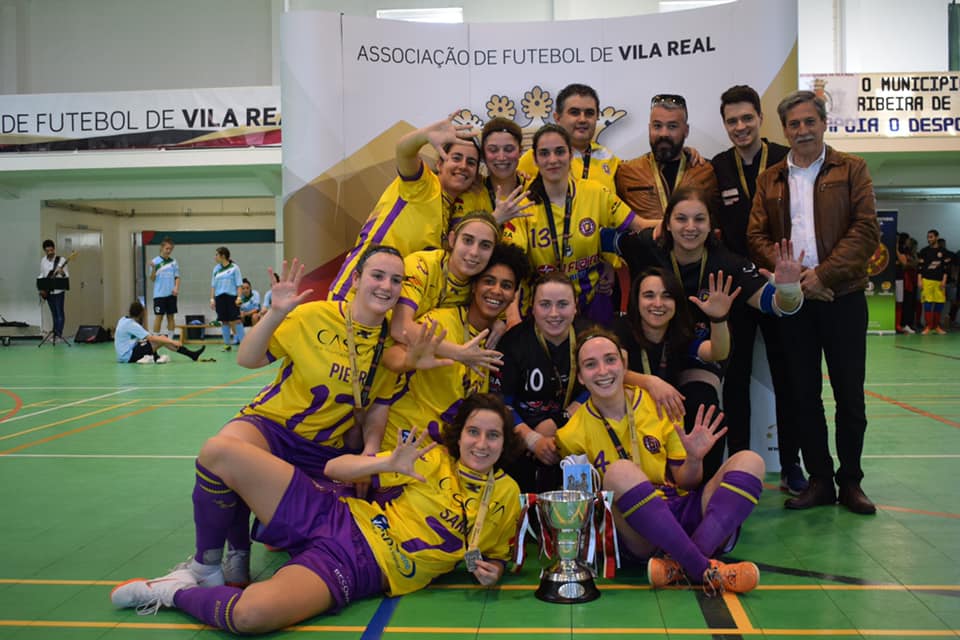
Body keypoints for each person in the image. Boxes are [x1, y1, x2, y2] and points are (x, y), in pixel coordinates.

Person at [110, 393, 522, 634]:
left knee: (249, 616)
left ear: (505, 443)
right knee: (219, 452)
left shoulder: (506, 494)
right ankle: (205, 566)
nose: (481, 444)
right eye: (473, 431)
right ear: (460, 434)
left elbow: (497, 556)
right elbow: (332, 470)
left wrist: (495, 571)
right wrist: (385, 464)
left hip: (360, 565)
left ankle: (169, 592)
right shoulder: (431, 458)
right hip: (337, 515)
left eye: (492, 435)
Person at [173, 248, 431, 588]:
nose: (386, 286)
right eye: (377, 276)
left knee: (326, 531)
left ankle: (257, 533)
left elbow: (376, 409)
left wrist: (370, 451)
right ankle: (215, 562)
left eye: (396, 280)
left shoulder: (388, 345)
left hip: (323, 450)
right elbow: (247, 360)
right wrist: (276, 314)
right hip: (271, 425)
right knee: (221, 450)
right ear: (356, 280)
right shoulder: (314, 316)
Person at [605, 187, 803, 480]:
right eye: (681, 219)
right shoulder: (646, 246)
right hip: (650, 351)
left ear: (711, 224)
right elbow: (599, 238)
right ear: (667, 222)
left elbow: (778, 306)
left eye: (699, 219)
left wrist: (788, 288)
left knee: (703, 407)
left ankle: (704, 491)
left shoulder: (728, 264)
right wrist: (602, 267)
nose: (690, 227)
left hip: (701, 349)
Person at [748, 90, 881, 515]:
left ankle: (852, 482)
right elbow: (755, 237)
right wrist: (798, 282)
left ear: (824, 123)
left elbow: (865, 231)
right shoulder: (769, 179)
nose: (802, 130)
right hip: (794, 304)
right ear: (784, 130)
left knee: (849, 395)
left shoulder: (852, 169)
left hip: (843, 297)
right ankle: (820, 480)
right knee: (803, 394)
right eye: (794, 124)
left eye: (810, 122)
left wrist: (821, 276)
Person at [555, 329, 763, 596]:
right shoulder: (570, 434)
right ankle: (705, 569)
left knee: (751, 461)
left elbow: (686, 480)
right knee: (619, 472)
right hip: (636, 530)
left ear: (624, 365)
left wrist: (694, 458)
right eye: (590, 365)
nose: (603, 370)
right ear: (581, 378)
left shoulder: (658, 404)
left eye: (610, 360)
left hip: (676, 503)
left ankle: (678, 565)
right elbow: (584, 509)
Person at [709, 85, 806, 495]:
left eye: (747, 118)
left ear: (759, 118)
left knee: (789, 376)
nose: (740, 127)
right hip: (738, 287)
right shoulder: (717, 166)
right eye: (732, 121)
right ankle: (740, 466)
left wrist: (784, 273)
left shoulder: (786, 159)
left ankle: (791, 464)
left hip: (780, 281)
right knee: (735, 379)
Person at [377, 243, 528, 452]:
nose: (496, 291)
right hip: (404, 442)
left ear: (513, 296)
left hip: (446, 451)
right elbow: (390, 356)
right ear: (474, 286)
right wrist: (408, 361)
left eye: (506, 285)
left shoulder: (498, 339)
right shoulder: (442, 322)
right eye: (489, 281)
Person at [501, 124, 652, 322]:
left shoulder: (596, 192)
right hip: (543, 309)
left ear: (571, 154)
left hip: (591, 303)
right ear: (535, 160)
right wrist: (512, 318)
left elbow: (640, 225)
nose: (553, 160)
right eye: (544, 153)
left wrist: (678, 224)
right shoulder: (522, 205)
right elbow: (510, 268)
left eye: (560, 151)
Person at [328, 114, 487, 302]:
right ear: (439, 163)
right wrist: (424, 135)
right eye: (456, 158)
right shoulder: (423, 183)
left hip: (391, 295)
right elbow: (404, 151)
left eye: (471, 163)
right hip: (357, 289)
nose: (463, 166)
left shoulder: (453, 210)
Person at [493, 272, 587, 493]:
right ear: (532, 308)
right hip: (520, 438)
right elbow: (500, 402)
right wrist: (533, 440)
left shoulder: (590, 337)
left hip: (575, 435)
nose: (554, 314)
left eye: (562, 304)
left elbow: (602, 387)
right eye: (545, 304)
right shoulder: (513, 342)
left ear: (575, 307)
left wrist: (561, 420)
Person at [614, 267, 737, 423]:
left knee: (708, 414)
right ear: (636, 300)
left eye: (667, 296)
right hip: (628, 415)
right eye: (649, 295)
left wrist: (718, 319)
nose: (658, 304)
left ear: (676, 302)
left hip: (665, 417)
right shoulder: (621, 328)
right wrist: (650, 382)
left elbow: (717, 353)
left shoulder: (679, 333)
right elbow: (614, 372)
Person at [616, 94, 719, 224]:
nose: (664, 134)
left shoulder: (706, 171)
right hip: (646, 244)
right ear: (649, 128)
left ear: (686, 131)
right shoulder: (626, 172)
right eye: (657, 126)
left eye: (672, 126)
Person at [517, 83, 620, 192]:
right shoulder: (537, 157)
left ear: (597, 117)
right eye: (574, 112)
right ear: (557, 118)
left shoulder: (609, 158)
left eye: (589, 113)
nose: (582, 119)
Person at [115, 301, 204, 364]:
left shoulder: (123, 320)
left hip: (123, 355)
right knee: (161, 339)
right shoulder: (133, 325)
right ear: (141, 314)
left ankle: (156, 356)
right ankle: (192, 354)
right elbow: (152, 338)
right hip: (128, 356)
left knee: (157, 340)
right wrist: (173, 341)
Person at [210, 247, 245, 351]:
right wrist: (212, 299)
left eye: (217, 254)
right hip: (220, 298)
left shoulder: (235, 268)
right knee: (224, 321)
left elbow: (239, 284)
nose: (215, 257)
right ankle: (227, 345)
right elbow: (213, 285)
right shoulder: (216, 269)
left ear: (223, 256)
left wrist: (239, 297)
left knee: (237, 320)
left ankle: (244, 344)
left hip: (231, 298)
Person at [917, 230, 951, 335]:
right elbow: (920, 268)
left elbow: (946, 268)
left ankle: (936, 326)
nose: (929, 239)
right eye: (928, 237)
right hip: (927, 281)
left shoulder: (943, 251)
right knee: (927, 303)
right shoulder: (924, 251)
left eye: (931, 237)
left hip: (939, 282)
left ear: (936, 237)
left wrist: (944, 280)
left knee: (939, 303)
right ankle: (928, 326)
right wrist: (919, 280)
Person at [150, 237, 180, 338]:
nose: (169, 251)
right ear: (162, 248)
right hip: (159, 295)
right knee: (159, 317)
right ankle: (155, 339)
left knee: (171, 317)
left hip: (171, 294)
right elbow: (152, 278)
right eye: (167, 248)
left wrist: (176, 287)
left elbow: (177, 277)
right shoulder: (155, 261)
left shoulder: (174, 262)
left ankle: (170, 339)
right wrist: (154, 268)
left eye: (171, 249)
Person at [39, 239, 69, 339]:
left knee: (60, 313)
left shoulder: (61, 260)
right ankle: (55, 333)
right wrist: (41, 288)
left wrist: (62, 273)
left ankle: (59, 335)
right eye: (48, 251)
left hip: (59, 291)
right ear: (45, 251)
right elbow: (42, 275)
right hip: (49, 292)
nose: (50, 253)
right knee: (54, 314)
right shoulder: (43, 260)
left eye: (52, 250)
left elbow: (67, 276)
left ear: (54, 249)